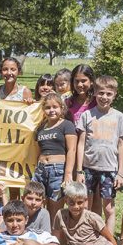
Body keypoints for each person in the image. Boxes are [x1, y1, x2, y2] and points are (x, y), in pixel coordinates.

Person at [74, 74, 123, 232]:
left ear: (114, 95)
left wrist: (120, 173)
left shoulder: (119, 117)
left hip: (109, 169)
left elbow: (122, 144)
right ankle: (86, 236)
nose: (104, 97)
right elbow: (81, 143)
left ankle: (109, 242)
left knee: (109, 209)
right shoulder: (86, 115)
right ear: (95, 93)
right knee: (86, 207)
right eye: (101, 93)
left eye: (109, 94)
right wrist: (79, 170)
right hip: (88, 168)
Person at [33, 92, 77, 220]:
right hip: (41, 169)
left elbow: (72, 150)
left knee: (55, 205)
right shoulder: (40, 128)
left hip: (57, 170)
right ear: (43, 110)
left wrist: (68, 173)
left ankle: (55, 236)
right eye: (48, 107)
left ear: (61, 108)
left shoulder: (67, 125)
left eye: (55, 107)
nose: (51, 110)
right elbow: (37, 151)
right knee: (37, 202)